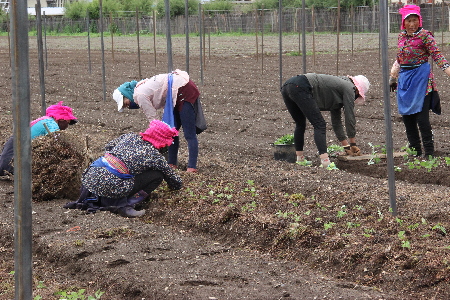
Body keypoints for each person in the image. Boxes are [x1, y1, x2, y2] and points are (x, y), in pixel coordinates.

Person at [64, 120, 182, 218]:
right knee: (157, 176)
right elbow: (175, 181)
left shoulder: (130, 136)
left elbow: (108, 146)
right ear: (162, 142)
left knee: (120, 171)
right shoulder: (154, 156)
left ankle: (91, 198)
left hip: (90, 176)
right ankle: (126, 205)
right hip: (111, 184)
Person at [112, 69, 205, 173]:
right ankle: (172, 164)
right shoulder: (140, 89)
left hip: (183, 89)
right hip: (173, 94)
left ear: (126, 94)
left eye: (125, 103)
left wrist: (150, 139)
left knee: (189, 133)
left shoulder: (140, 95)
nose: (127, 106)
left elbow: (154, 121)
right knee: (171, 131)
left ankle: (191, 167)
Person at [389, 5, 450, 158]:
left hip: (421, 80)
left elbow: (437, 55)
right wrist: (393, 77)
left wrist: (448, 70)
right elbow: (400, 58)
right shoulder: (401, 36)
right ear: (404, 22)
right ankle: (416, 152)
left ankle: (429, 154)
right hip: (405, 80)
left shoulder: (425, 36)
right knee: (407, 118)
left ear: (419, 20)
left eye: (415, 20)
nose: (412, 24)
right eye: (409, 21)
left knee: (422, 119)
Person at [280, 73, 370, 168]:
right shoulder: (349, 87)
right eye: (358, 95)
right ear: (356, 89)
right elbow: (349, 116)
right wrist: (353, 143)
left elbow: (336, 122)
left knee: (300, 123)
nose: (355, 97)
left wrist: (346, 146)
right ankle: (325, 162)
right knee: (320, 124)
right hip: (301, 86)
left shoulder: (337, 88)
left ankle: (300, 159)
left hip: (288, 86)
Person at [0, 101, 77, 176]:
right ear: (61, 118)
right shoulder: (51, 123)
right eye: (67, 122)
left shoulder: (46, 119)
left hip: (20, 143)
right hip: (17, 144)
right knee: (5, 167)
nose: (67, 125)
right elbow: (55, 139)